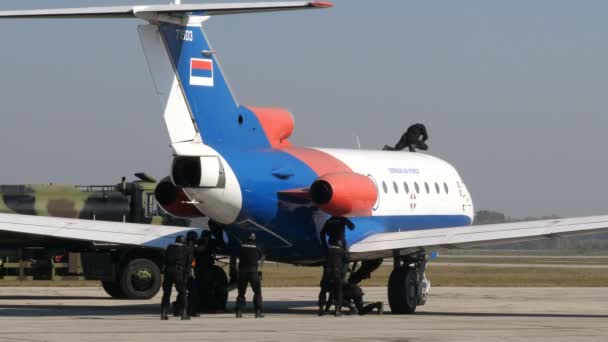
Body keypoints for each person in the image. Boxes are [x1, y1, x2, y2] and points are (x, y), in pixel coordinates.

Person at [161, 235, 193, 320]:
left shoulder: (170, 247)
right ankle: (184, 313)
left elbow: (165, 260)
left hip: (168, 271)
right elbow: (188, 264)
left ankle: (163, 313)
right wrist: (186, 276)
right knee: (183, 293)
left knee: (166, 293)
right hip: (179, 272)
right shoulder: (187, 249)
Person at [235, 233, 264, 318]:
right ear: (254, 238)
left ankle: (239, 311)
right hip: (253, 271)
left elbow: (237, 255)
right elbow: (260, 257)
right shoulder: (257, 247)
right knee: (257, 292)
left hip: (242, 271)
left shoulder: (241, 246)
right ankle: (258, 312)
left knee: (241, 293)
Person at [318, 240, 349, 317]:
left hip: (327, 272)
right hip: (336, 273)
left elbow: (322, 260)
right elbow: (347, 259)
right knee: (338, 291)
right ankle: (337, 310)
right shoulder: (341, 251)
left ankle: (321, 309)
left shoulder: (326, 250)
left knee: (323, 290)